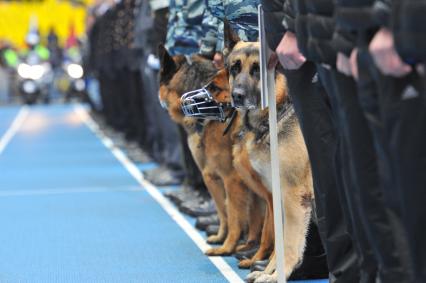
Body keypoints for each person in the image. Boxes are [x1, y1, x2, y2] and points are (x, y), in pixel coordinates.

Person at [261, 0, 360, 282]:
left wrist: (288, 28)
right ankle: (340, 267)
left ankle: (349, 270)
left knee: (339, 163)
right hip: (308, 31)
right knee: (329, 163)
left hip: (320, 34)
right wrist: (275, 32)